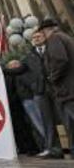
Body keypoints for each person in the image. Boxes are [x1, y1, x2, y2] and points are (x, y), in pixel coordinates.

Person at [25, 30, 63, 158]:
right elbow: (20, 70)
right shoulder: (29, 56)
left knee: (65, 118)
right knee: (48, 123)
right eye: (34, 37)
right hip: (40, 93)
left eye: (38, 36)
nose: (36, 39)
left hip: (58, 90)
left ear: (44, 37)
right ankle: (54, 149)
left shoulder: (53, 49)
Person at [40, 18, 74, 158]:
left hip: (67, 89)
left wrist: (52, 78)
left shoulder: (54, 38)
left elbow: (60, 60)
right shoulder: (65, 37)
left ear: (47, 30)